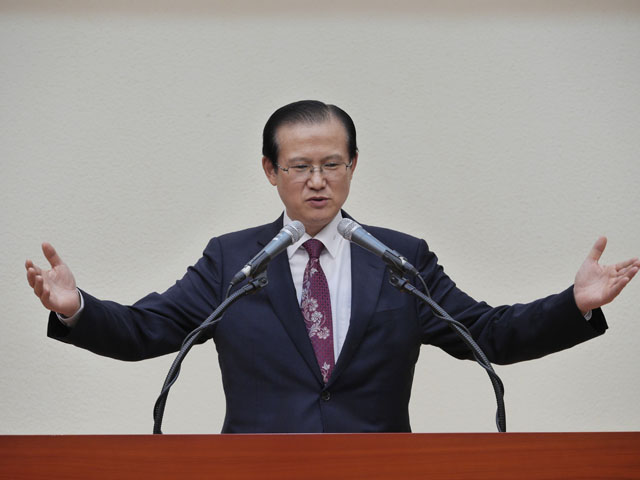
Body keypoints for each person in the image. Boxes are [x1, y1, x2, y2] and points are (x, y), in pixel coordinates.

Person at [25, 100, 640, 433]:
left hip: (380, 471)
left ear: (352, 166)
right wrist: (77, 309)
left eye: (332, 164)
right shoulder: (233, 260)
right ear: (270, 171)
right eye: (299, 166)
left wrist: (575, 304)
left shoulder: (400, 259)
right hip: (255, 472)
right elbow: (148, 331)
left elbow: (487, 334)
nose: (317, 181)